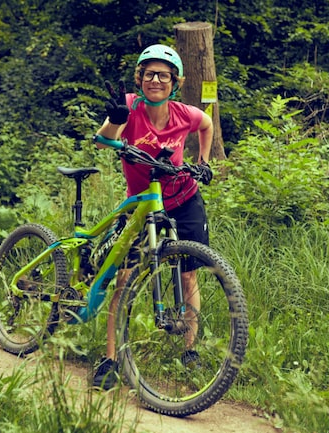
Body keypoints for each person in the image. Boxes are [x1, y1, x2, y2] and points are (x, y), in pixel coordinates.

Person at [91, 44, 214, 390]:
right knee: (125, 279)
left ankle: (190, 351)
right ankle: (111, 359)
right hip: (141, 203)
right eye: (148, 74)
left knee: (189, 277)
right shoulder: (129, 106)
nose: (155, 80)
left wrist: (203, 162)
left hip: (184, 200)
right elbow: (102, 141)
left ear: (174, 81)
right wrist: (116, 121)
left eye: (163, 75)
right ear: (140, 78)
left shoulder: (183, 113)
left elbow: (207, 124)